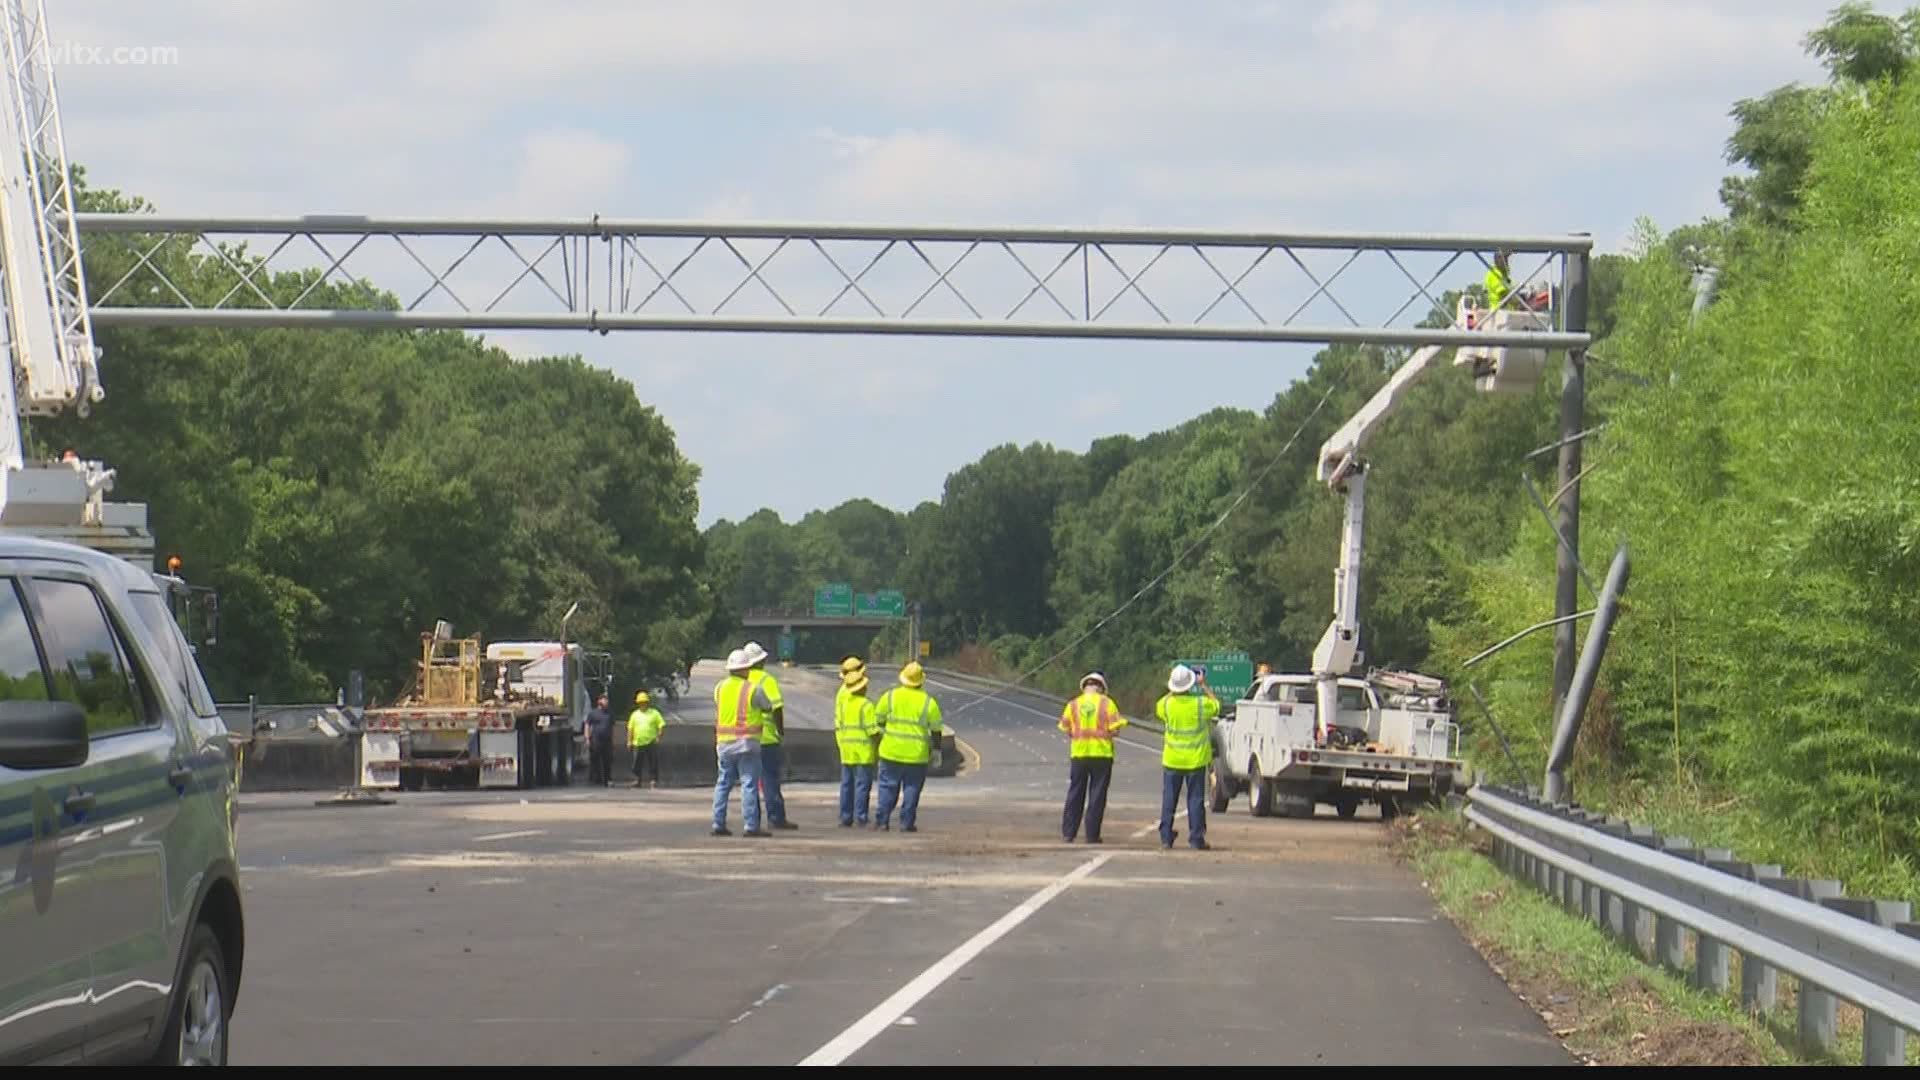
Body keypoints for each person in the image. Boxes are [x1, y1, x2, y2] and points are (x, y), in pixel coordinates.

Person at [1155, 664, 1221, 851]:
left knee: (1169, 799)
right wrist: (1203, 685)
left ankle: (1166, 837)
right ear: (1190, 684)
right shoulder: (1200, 704)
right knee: (1195, 800)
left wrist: (1172, 690)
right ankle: (1196, 838)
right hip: (1195, 760)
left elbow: (1159, 705)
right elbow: (1216, 706)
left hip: (1172, 760)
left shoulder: (1167, 704)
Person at [872, 661, 942, 832]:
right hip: (916, 755)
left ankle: (882, 821)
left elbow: (878, 720)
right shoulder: (928, 702)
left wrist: (883, 737)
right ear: (920, 681)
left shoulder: (889, 697)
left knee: (887, 787)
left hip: (891, 751)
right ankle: (906, 823)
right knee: (912, 789)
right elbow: (936, 730)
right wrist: (936, 751)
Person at [1059, 672, 1127, 844]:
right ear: (1101, 687)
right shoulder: (1107, 704)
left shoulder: (1073, 704)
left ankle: (1069, 832)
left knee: (1075, 793)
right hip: (1101, 755)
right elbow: (1115, 730)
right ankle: (1092, 834)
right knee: (1097, 796)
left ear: (1084, 687)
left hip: (1079, 754)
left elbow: (1066, 728)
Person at [711, 649, 771, 837]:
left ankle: (718, 823)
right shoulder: (753, 689)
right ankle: (751, 826)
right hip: (747, 744)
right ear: (746, 668)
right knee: (749, 784)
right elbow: (768, 707)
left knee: (723, 784)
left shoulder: (719, 688)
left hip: (723, 743)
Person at [741, 641, 796, 830]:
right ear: (761, 661)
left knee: (750, 782)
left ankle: (752, 820)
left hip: (745, 737)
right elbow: (777, 708)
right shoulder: (766, 680)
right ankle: (776, 818)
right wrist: (781, 732)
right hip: (767, 737)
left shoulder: (742, 679)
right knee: (770, 779)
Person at [834, 665, 879, 827]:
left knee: (846, 785)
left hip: (847, 750)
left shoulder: (844, 703)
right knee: (862, 785)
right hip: (863, 752)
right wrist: (878, 744)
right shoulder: (866, 705)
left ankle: (845, 817)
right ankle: (861, 816)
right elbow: (872, 730)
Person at [628, 689, 665, 789]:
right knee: (636, 763)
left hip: (651, 742)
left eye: (644, 702)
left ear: (647, 703)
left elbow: (661, 725)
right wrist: (629, 741)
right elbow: (630, 728)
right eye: (640, 703)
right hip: (638, 742)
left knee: (653, 762)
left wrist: (658, 736)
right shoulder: (635, 714)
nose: (642, 704)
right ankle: (637, 780)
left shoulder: (654, 713)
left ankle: (653, 781)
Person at [585, 694, 614, 786]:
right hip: (595, 740)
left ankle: (607, 779)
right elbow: (587, 725)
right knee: (595, 760)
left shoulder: (610, 714)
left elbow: (612, 727)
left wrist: (613, 741)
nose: (606, 702)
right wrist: (587, 738)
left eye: (607, 700)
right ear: (599, 701)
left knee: (607, 760)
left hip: (607, 741)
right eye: (604, 700)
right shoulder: (593, 713)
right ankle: (596, 778)